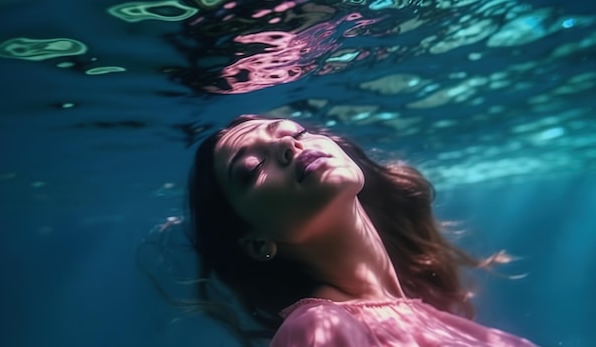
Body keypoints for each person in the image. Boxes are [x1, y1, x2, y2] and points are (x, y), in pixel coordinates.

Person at [183, 114, 537, 346]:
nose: (288, 144)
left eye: (297, 132)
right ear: (257, 241)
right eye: (254, 167)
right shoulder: (319, 328)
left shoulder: (422, 315)